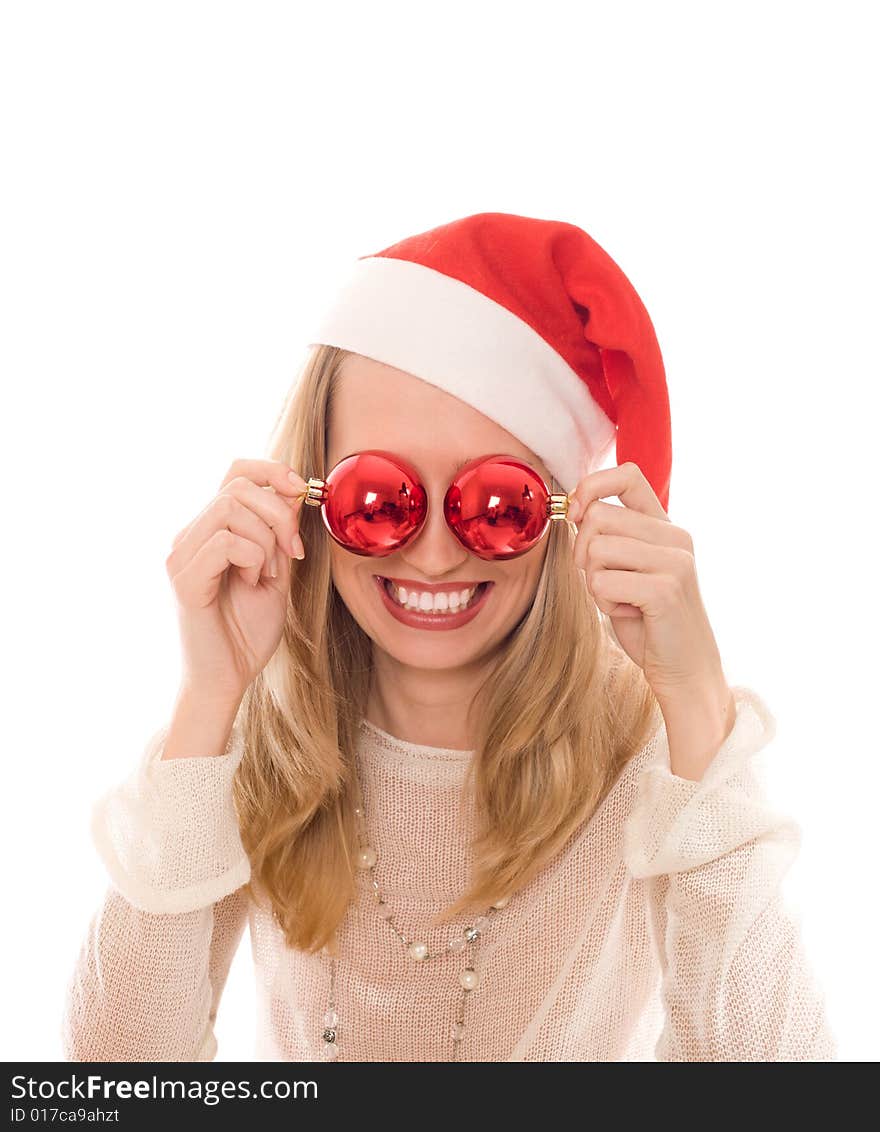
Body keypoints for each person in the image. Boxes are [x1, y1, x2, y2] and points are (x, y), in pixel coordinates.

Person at [61, 212, 837, 1062]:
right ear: (311, 502)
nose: (433, 556)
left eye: (497, 507)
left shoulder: (655, 759)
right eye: (378, 500)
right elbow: (110, 1084)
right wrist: (206, 699)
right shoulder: (250, 741)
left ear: (566, 517)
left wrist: (693, 703)